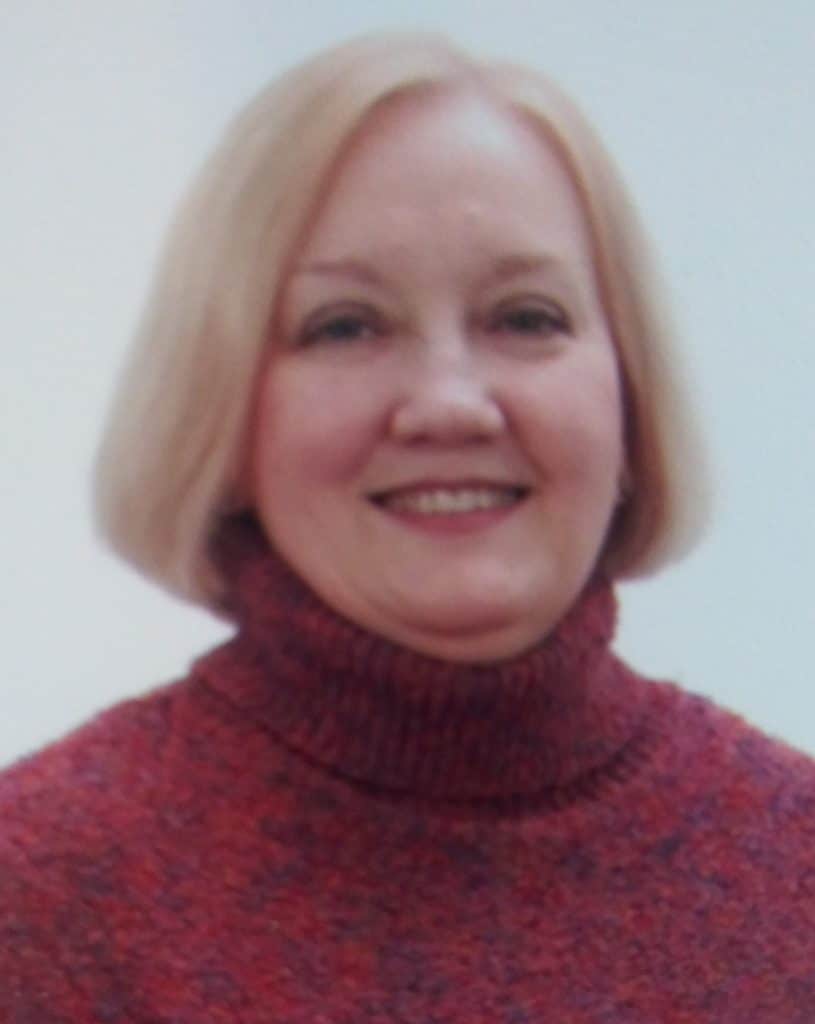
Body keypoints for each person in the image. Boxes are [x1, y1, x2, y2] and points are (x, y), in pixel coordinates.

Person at [1, 30, 813, 1022]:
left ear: (628, 397)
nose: (450, 404)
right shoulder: (42, 900)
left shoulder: (792, 866)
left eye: (524, 317)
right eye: (345, 326)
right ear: (222, 417)